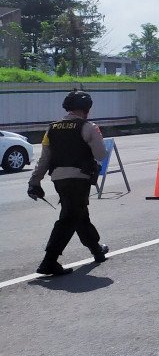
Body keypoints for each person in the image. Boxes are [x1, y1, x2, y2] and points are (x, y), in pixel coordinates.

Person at [27, 90, 109, 276]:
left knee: (78, 214)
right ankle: (49, 261)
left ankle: (97, 250)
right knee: (69, 218)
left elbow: (44, 160)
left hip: (59, 180)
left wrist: (34, 182)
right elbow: (101, 155)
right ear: (87, 109)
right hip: (79, 180)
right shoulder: (89, 127)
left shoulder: (52, 128)